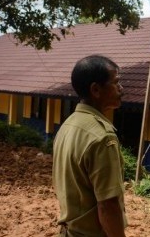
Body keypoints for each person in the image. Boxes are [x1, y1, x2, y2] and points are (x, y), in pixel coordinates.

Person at [53, 55, 126, 236]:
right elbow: (108, 205)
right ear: (96, 89)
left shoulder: (68, 125)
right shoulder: (102, 137)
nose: (121, 88)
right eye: (116, 82)